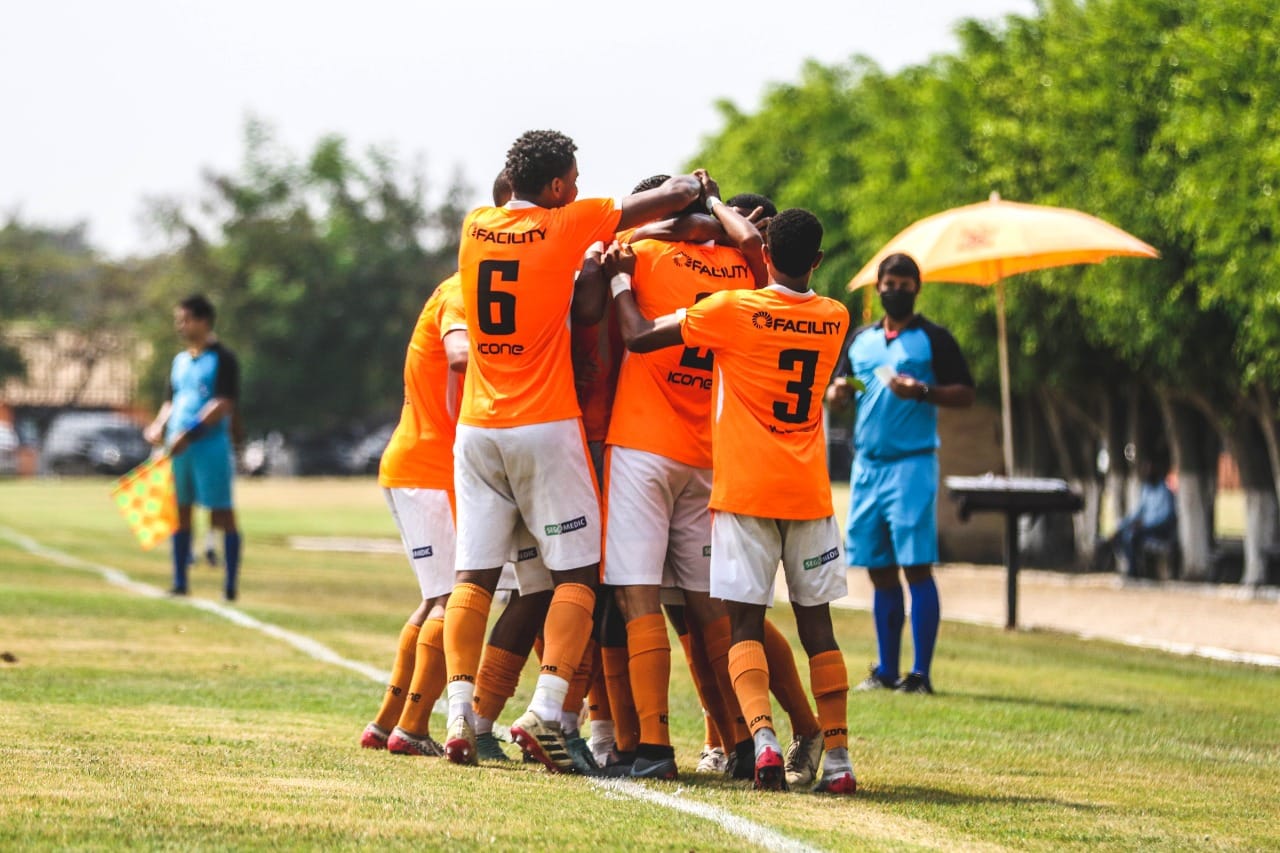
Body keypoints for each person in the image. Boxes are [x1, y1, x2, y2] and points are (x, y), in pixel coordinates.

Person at [441, 129, 703, 773]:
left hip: (477, 428)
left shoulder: (476, 225)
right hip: (543, 424)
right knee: (579, 574)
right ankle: (546, 710)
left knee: (473, 577)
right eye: (575, 180)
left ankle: (462, 720)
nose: (581, 189)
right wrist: (699, 187)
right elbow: (660, 202)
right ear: (557, 186)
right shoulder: (569, 223)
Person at [608, 204, 856, 795]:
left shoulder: (734, 310)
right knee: (818, 628)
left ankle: (764, 742)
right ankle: (841, 761)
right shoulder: (836, 316)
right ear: (818, 260)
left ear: (762, 255)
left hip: (745, 489)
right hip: (810, 493)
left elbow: (640, 337)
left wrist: (621, 279)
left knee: (742, 621)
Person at [600, 172, 766, 780]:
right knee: (709, 606)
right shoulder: (745, 270)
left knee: (638, 593)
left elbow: (605, 258)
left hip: (643, 444)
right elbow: (743, 244)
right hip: (707, 450)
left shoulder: (640, 253)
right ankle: (747, 741)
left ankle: (653, 748)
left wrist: (628, 264)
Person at [826, 252, 975, 695]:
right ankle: (887, 669)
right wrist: (838, 394)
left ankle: (920, 674)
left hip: (912, 464)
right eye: (888, 282)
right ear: (878, 287)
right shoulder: (860, 340)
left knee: (915, 565)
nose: (896, 289)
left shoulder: (934, 339)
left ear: (917, 288)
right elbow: (845, 388)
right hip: (867, 466)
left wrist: (923, 390)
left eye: (904, 283)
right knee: (879, 568)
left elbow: (965, 393)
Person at [144, 294, 242, 601]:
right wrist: (159, 425)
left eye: (185, 319)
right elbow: (170, 402)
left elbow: (223, 403)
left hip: (209, 448)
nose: (180, 326)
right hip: (178, 449)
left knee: (222, 513)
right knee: (180, 511)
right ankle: (179, 581)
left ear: (203, 321)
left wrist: (192, 431)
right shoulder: (180, 361)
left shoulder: (223, 358)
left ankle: (229, 585)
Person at [1110, 458, 1176, 578]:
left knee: (1133, 536)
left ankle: (1134, 572)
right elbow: (1138, 512)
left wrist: (1144, 524)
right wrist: (1123, 525)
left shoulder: (1165, 491)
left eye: (1150, 469)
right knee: (1121, 534)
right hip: (1144, 527)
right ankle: (1131, 567)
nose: (1148, 473)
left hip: (1159, 528)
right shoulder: (1146, 489)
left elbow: (1165, 517)